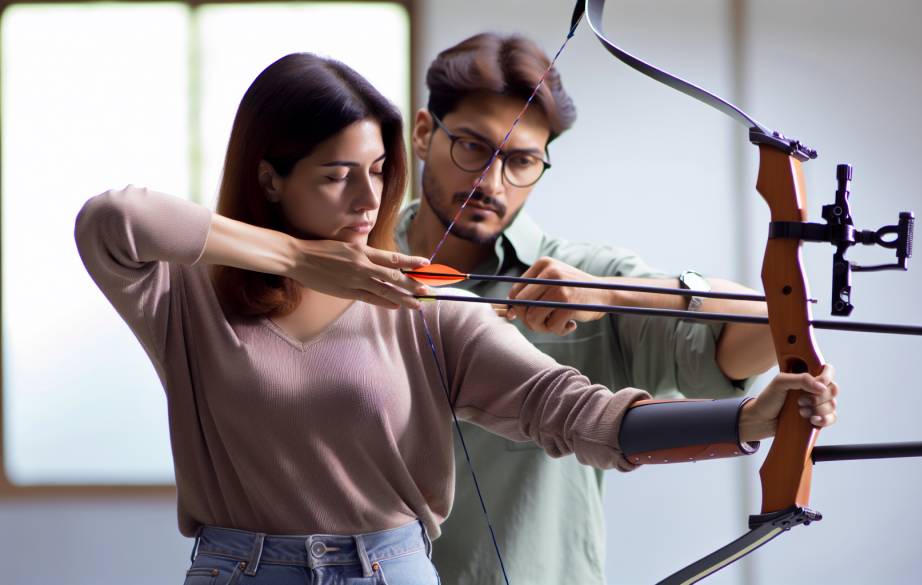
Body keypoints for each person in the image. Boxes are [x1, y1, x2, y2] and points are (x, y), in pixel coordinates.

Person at [74, 53, 838, 585]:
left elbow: (576, 414)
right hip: (237, 568)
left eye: (377, 172)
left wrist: (747, 418)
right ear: (269, 180)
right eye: (336, 176)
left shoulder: (424, 301)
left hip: (388, 566)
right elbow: (113, 219)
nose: (367, 201)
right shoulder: (185, 298)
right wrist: (300, 261)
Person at [400, 33, 781, 585]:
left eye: (522, 160)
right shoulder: (353, 266)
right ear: (422, 133)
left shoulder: (584, 275)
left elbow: (775, 323)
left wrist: (611, 293)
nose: (491, 181)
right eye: (473, 147)